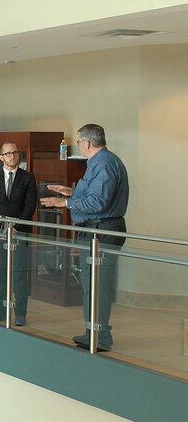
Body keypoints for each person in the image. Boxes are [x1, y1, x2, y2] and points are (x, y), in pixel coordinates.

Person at [40, 124, 129, 352]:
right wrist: (71, 192)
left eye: (79, 141)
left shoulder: (104, 163)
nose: (79, 145)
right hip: (95, 231)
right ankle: (93, 332)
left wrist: (65, 203)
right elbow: (94, 194)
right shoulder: (100, 162)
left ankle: (100, 336)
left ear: (87, 143)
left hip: (101, 231)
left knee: (97, 286)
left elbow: (98, 203)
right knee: (92, 285)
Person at [0, 142, 37, 326]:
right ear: (1, 157)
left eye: (15, 153)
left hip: (19, 232)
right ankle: (0, 309)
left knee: (20, 273)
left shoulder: (28, 178)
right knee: (0, 271)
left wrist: (16, 227)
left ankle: (20, 313)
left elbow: (30, 206)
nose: (13, 156)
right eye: (8, 154)